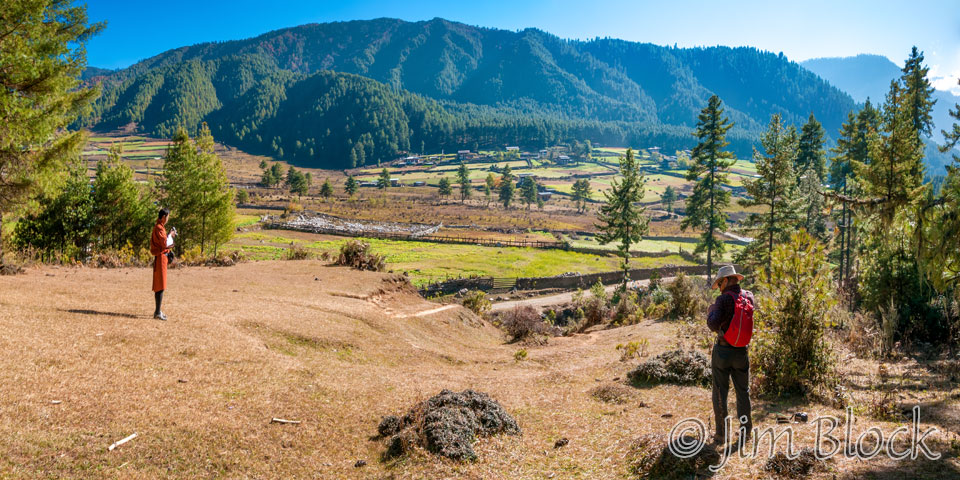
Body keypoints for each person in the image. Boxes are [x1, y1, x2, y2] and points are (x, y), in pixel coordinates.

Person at [706, 265, 755, 445]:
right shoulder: (748, 296)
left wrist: (711, 312)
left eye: (719, 283)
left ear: (726, 281)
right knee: (743, 391)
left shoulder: (723, 299)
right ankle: (746, 431)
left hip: (723, 351)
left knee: (720, 391)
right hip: (742, 351)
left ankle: (721, 434)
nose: (719, 287)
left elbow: (713, 324)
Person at [150, 208, 176, 320]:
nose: (168, 218)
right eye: (168, 216)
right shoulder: (159, 228)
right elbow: (165, 243)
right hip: (161, 258)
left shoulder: (160, 227)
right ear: (164, 216)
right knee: (160, 285)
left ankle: (158, 311)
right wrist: (171, 235)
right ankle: (157, 312)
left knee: (161, 284)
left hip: (162, 258)